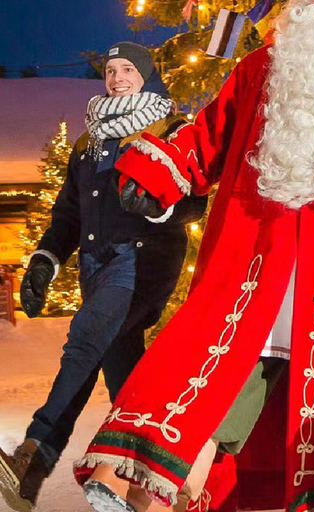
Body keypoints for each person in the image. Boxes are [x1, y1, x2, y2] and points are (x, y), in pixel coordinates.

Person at [72, 0, 314, 511]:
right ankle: (151, 488)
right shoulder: (259, 68)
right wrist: (164, 171)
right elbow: (210, 135)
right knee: (217, 364)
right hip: (258, 253)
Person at [0, 42, 207, 512]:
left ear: (147, 75)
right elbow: (69, 214)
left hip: (144, 259)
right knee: (124, 370)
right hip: (97, 266)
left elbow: (196, 199)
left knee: (87, 337)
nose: (116, 77)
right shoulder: (87, 142)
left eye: (127, 69)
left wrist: (158, 208)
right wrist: (44, 261)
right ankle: (157, 478)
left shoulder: (171, 129)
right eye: (110, 70)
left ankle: (33, 454)